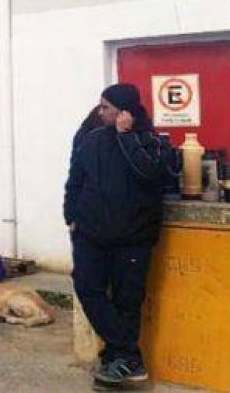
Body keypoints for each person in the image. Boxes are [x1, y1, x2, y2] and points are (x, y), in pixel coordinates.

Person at [65, 84, 164, 387]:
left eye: (106, 107)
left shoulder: (150, 140)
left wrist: (126, 137)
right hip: (91, 236)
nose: (100, 111)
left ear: (124, 111)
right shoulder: (92, 140)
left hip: (132, 238)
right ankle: (128, 356)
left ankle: (116, 360)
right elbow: (75, 180)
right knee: (87, 287)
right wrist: (71, 215)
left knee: (127, 301)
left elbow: (150, 174)